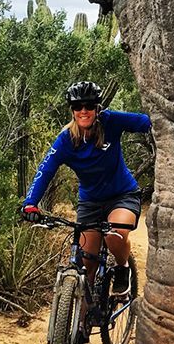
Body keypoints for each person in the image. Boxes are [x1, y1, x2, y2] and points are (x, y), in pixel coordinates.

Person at [21, 81, 151, 295]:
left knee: (114, 234)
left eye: (89, 105)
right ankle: (80, 326)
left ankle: (122, 267)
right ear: (72, 110)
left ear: (97, 107)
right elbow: (45, 170)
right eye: (78, 106)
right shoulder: (65, 141)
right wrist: (30, 204)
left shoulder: (110, 121)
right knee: (86, 266)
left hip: (122, 195)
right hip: (90, 203)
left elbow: (147, 122)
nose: (84, 111)